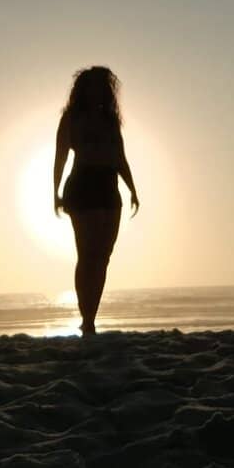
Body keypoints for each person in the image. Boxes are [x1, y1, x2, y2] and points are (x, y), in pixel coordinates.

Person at [53, 65, 139, 336]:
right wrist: (54, 191)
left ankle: (92, 315)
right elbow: (61, 156)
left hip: (109, 186)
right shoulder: (71, 118)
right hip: (82, 185)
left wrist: (133, 189)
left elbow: (120, 157)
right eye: (94, 85)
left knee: (103, 256)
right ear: (83, 89)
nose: (100, 91)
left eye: (104, 86)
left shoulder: (111, 120)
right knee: (87, 254)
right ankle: (87, 317)